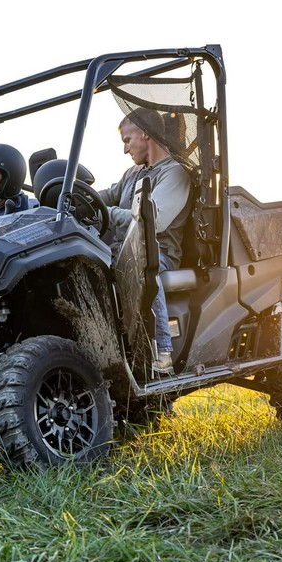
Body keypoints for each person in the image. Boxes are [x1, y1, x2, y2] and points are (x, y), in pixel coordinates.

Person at [98, 109, 191, 374]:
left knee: (139, 268)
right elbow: (108, 195)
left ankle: (161, 352)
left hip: (157, 254)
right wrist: (75, 194)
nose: (125, 149)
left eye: (127, 141)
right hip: (123, 248)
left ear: (145, 134)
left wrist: (106, 213)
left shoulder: (174, 174)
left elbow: (152, 222)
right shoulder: (133, 173)